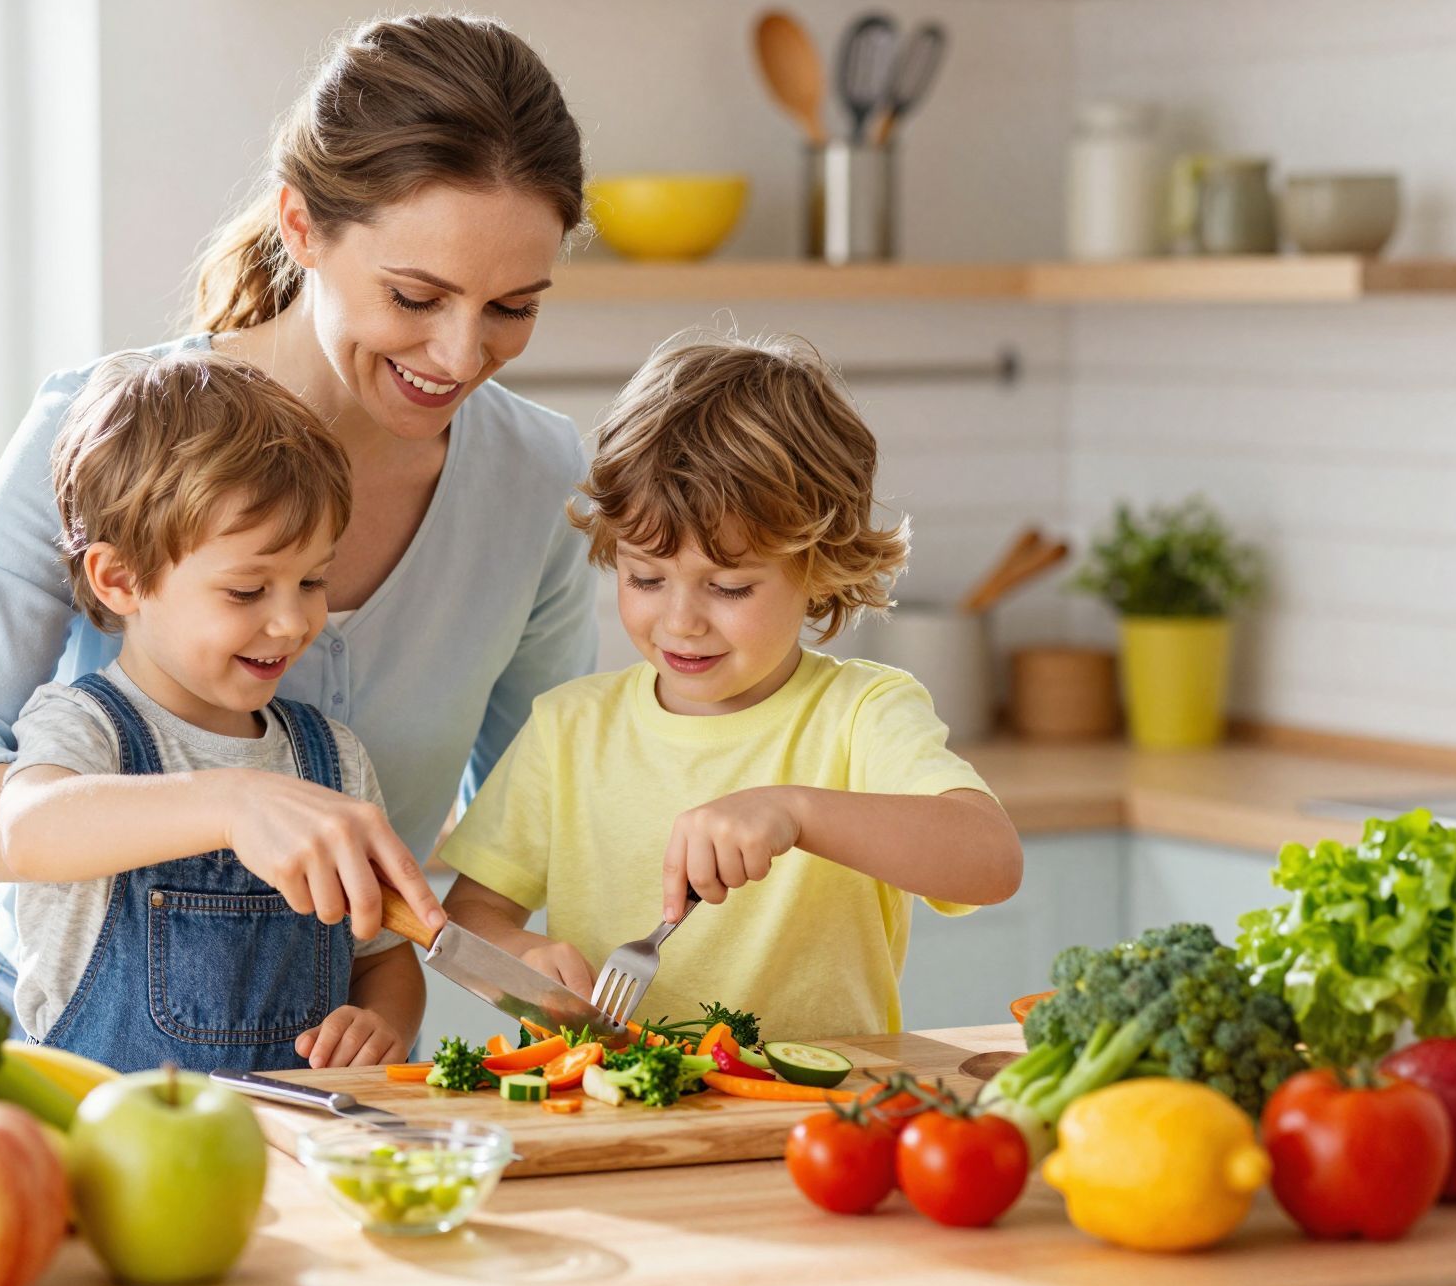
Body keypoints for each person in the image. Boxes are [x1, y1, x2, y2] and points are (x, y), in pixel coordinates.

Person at [0, 14, 597, 1042]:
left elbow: (542, 795)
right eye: (415, 295)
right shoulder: (106, 433)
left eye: (513, 306)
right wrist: (223, 802)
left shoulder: (538, 479)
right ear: (301, 227)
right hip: (72, 1080)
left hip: (322, 1084)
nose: (460, 353)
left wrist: (494, 944)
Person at [436, 336, 1024, 1041]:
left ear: (819, 567)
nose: (680, 621)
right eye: (646, 578)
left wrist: (795, 811)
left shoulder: (860, 715)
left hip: (817, 1120)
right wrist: (526, 955)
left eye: (729, 586)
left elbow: (990, 862)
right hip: (607, 1111)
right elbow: (473, 916)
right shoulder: (569, 728)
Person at [0, 349, 423, 1071]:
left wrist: (380, 1021)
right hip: (111, 1162)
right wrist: (228, 803)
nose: (292, 623)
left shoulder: (333, 758)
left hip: (294, 1161)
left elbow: (384, 958)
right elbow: (27, 829)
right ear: (121, 578)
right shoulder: (84, 728)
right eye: (247, 592)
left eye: (313, 580)